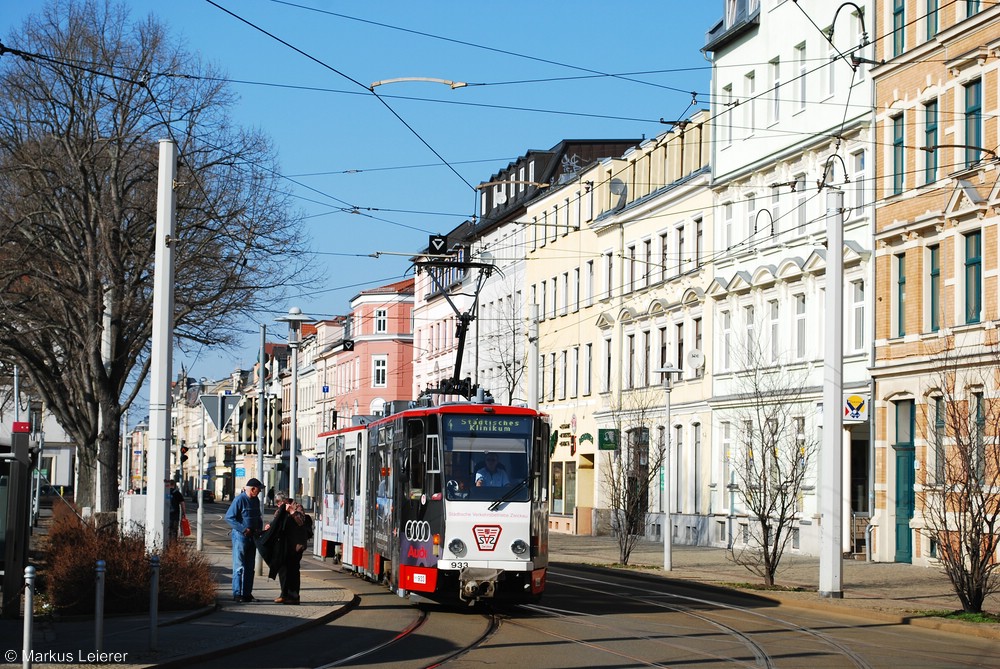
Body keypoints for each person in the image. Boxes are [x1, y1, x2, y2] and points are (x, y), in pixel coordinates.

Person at [260, 492, 313, 604]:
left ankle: (294, 596)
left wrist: (292, 512)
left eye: (279, 502)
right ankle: (284, 594)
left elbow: (301, 522)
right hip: (283, 545)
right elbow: (276, 521)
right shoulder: (280, 509)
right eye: (277, 503)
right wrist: (270, 526)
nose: (278, 505)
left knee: (293, 570)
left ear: (286, 500)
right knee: (282, 569)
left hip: (296, 546)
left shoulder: (297, 507)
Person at [225, 477, 263, 602]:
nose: (260, 492)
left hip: (252, 537)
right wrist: (243, 529)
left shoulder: (256, 500)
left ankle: (247, 594)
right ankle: (237, 594)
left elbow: (258, 517)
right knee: (239, 566)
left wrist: (259, 529)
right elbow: (229, 517)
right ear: (252, 489)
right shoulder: (239, 500)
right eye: (259, 489)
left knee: (250, 567)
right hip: (240, 537)